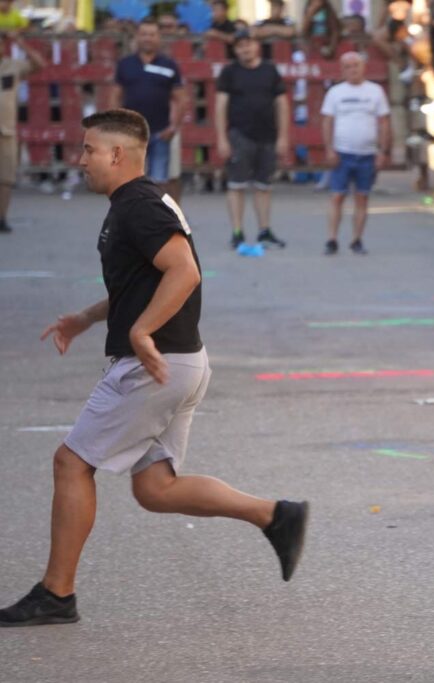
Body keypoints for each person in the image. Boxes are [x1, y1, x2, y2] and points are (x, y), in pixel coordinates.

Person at [0, 109, 309, 628]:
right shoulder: (141, 201)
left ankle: (56, 594)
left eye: (88, 150)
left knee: (71, 463)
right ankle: (275, 514)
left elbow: (184, 271)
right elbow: (141, 280)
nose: (80, 161)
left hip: (154, 365)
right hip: (183, 362)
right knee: (155, 489)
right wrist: (87, 317)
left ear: (117, 154)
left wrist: (140, 332)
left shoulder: (138, 205)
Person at [215, 29, 289, 249]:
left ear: (257, 45)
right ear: (235, 50)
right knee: (236, 185)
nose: (245, 48)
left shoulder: (270, 70)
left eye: (249, 43)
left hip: (268, 135)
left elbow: (282, 104)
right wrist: (222, 138)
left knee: (264, 186)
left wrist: (283, 136)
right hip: (240, 135)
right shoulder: (229, 72)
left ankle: (264, 230)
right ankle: (237, 232)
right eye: (240, 45)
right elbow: (221, 106)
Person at [320, 52, 391, 256]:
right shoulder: (335, 92)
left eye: (356, 65)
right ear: (342, 70)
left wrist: (382, 151)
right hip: (342, 152)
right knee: (337, 196)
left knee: (362, 197)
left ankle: (357, 239)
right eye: (348, 66)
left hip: (367, 153)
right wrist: (329, 148)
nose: (353, 70)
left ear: (363, 67)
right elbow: (327, 121)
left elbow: (384, 122)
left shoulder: (375, 91)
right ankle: (331, 238)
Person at [113, 18, 188, 202]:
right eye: (144, 34)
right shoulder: (125, 64)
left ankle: (159, 222)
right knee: (129, 180)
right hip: (131, 133)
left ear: (159, 38)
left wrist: (173, 127)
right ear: (138, 37)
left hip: (161, 131)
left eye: (152, 34)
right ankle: (133, 221)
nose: (148, 38)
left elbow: (182, 99)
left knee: (160, 182)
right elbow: (115, 96)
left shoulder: (169, 65)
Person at [0, 34, 44, 234]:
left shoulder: (13, 66)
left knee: (6, 178)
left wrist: (20, 41)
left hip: (6, 130)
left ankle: (1, 218)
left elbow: (39, 63)